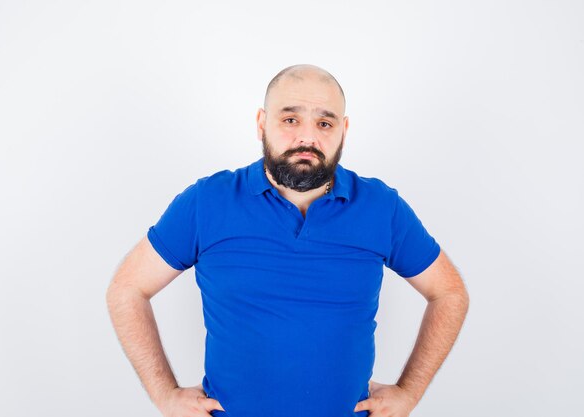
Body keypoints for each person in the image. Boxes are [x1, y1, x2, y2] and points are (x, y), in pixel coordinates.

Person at [106, 64, 469, 417]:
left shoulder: (381, 207)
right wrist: (165, 395)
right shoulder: (207, 202)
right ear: (262, 123)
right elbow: (128, 289)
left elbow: (449, 293)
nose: (307, 138)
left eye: (324, 123)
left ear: (343, 130)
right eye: (290, 119)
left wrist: (408, 393)